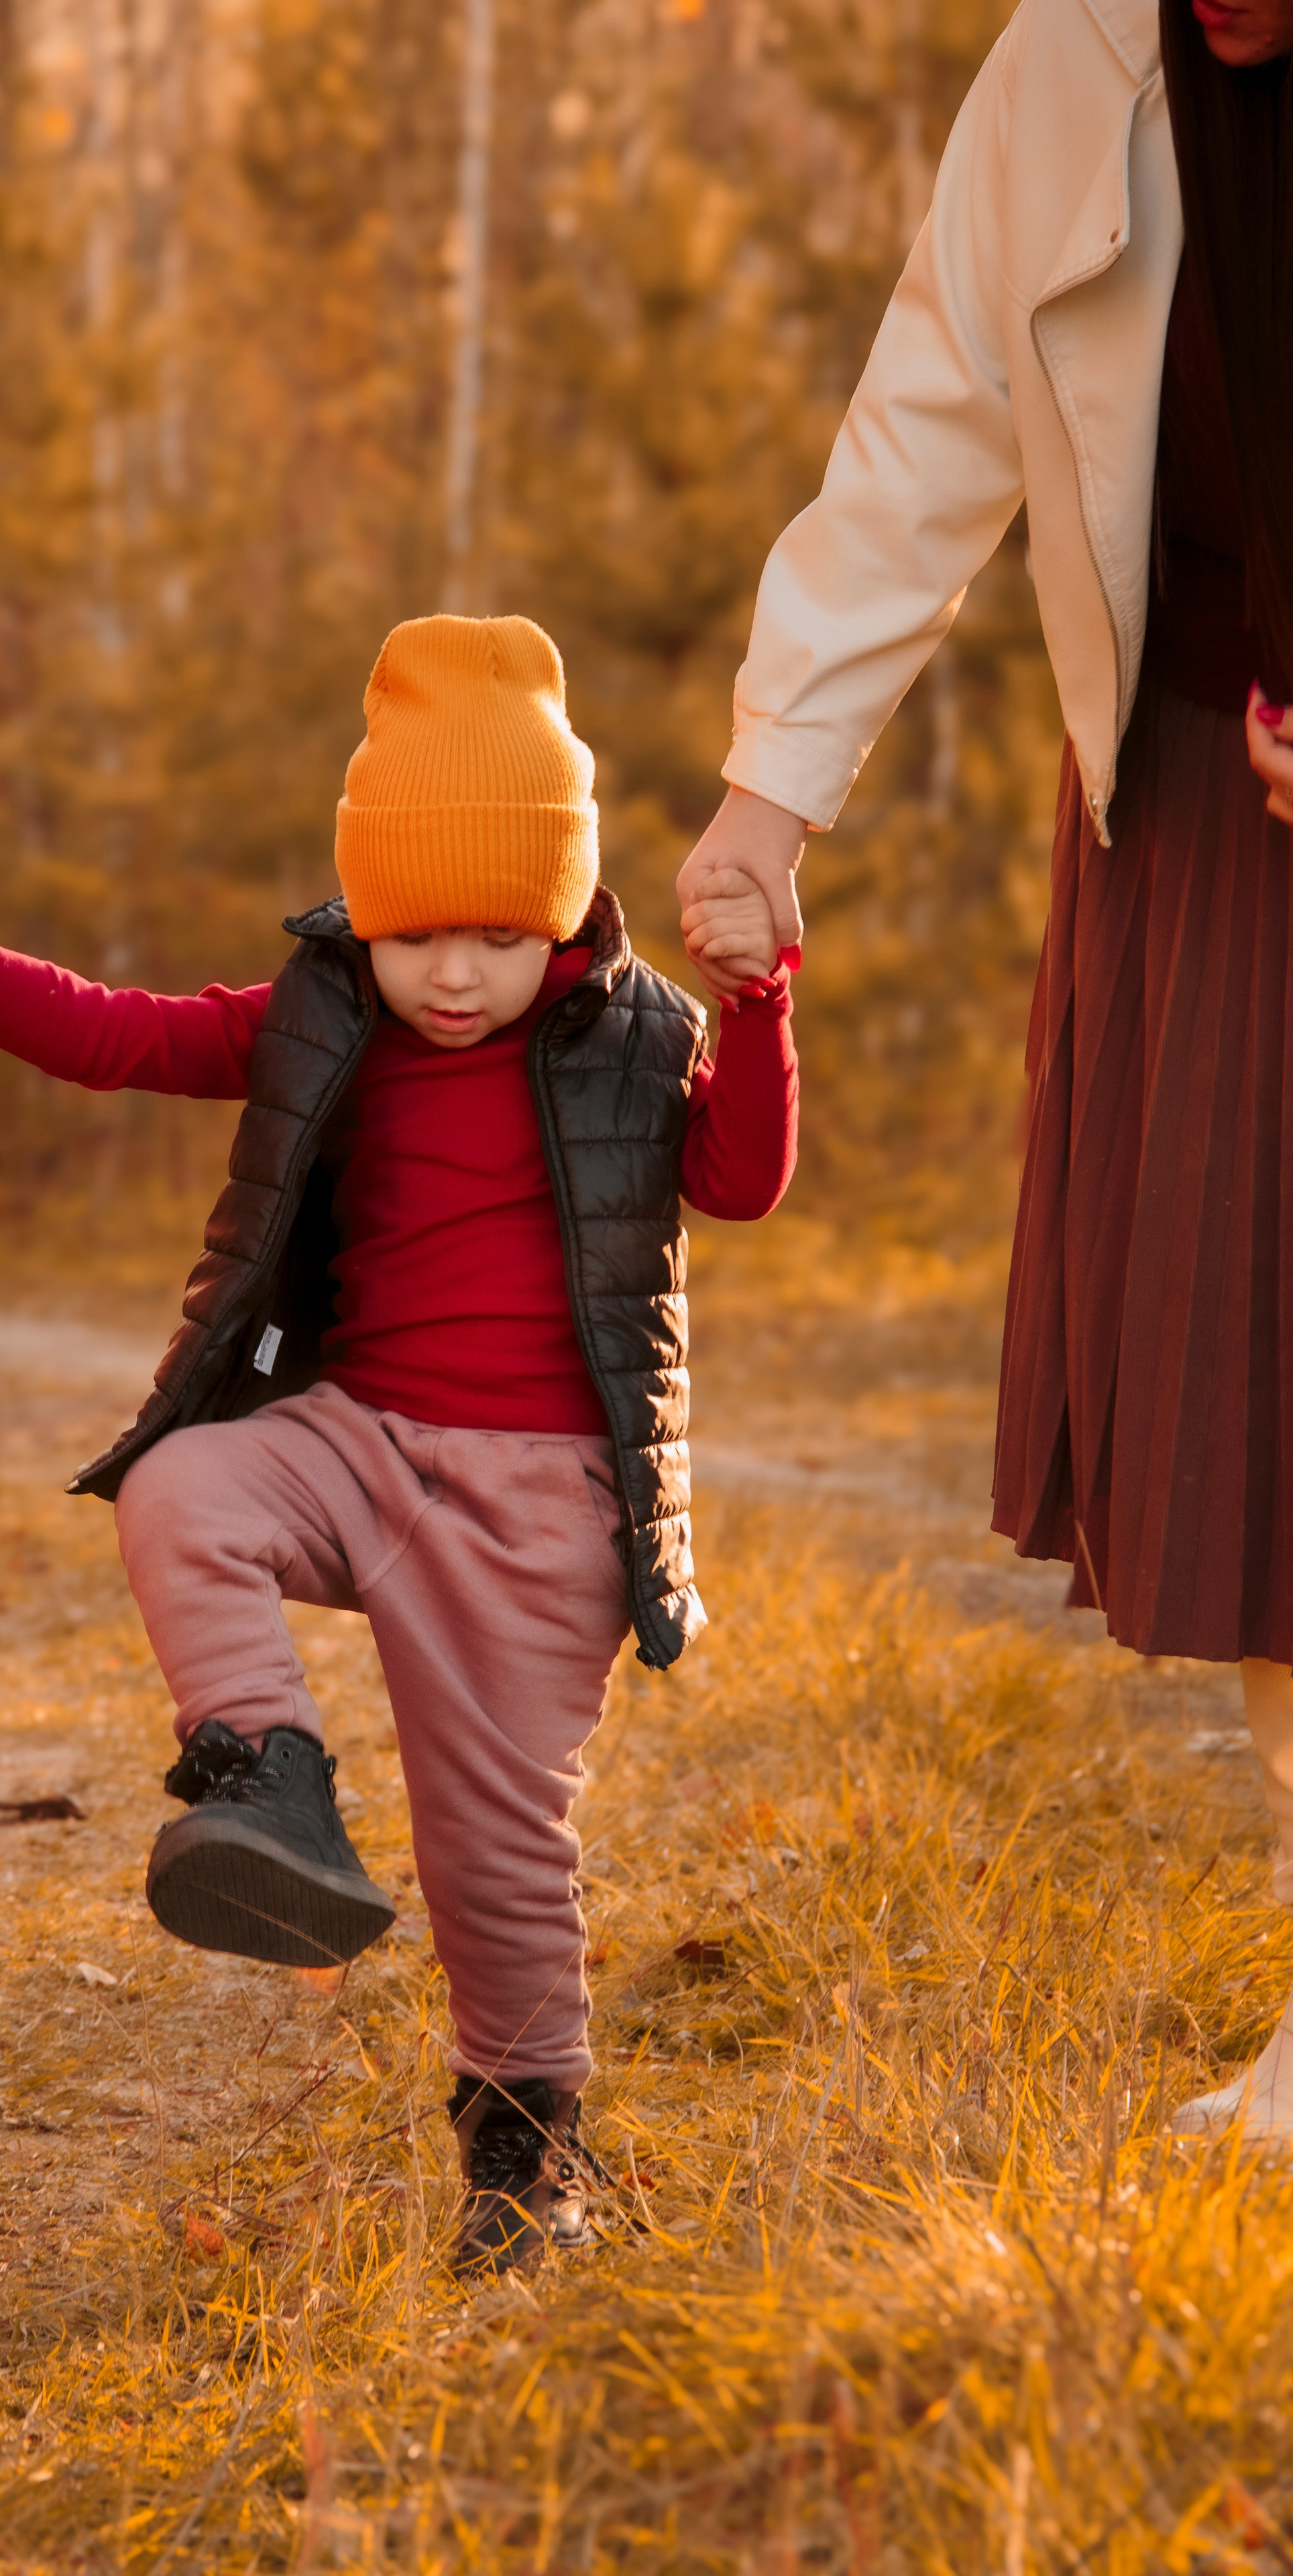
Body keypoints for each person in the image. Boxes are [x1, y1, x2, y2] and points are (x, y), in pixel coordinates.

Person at [0, 614, 799, 2271]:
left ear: (560, 908)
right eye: (417, 931)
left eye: (497, 934)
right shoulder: (324, 1012)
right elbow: (122, 1035)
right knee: (184, 1480)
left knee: (490, 1850)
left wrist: (758, 1003)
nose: (452, 972)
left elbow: (743, 1178)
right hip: (355, 1443)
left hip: (545, 1507)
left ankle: (526, 2159)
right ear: (366, 906)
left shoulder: (634, 1033)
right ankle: (265, 1774)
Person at [677, 0, 1293, 2137]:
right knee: (1272, 1429)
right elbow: (929, 423)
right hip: (1207, 804)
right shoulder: (1075, 72)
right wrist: (773, 789)